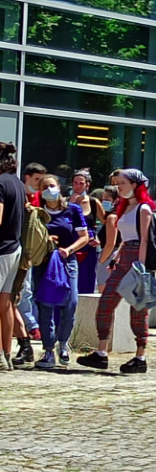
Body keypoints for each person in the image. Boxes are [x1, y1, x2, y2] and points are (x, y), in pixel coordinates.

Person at [77, 169, 156, 374]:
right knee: (106, 303)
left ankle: (140, 357)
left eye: (122, 183)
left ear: (135, 185)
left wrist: (141, 267)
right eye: (117, 183)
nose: (118, 187)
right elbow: (125, 238)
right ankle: (101, 352)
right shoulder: (124, 207)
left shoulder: (144, 209)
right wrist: (116, 257)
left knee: (138, 310)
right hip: (124, 258)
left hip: (137, 259)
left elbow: (144, 240)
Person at [30, 175, 89, 368]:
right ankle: (48, 350)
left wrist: (69, 249)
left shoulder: (72, 210)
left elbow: (84, 237)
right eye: (44, 187)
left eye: (52, 185)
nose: (49, 189)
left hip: (67, 260)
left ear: (59, 188)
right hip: (44, 262)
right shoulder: (37, 213)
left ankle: (63, 344)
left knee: (71, 303)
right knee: (45, 305)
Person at [0, 143, 23, 371]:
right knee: (5, 304)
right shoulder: (17, 183)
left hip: (1, 250)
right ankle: (6, 355)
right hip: (14, 249)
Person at [18, 162, 46, 339]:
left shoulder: (39, 197)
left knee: (27, 288)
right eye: (36, 179)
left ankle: (29, 325)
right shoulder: (19, 194)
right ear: (27, 177)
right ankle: (30, 325)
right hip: (16, 247)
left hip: (31, 249)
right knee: (24, 288)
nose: (39, 184)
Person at [67, 169, 104, 295]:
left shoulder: (93, 202)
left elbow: (107, 222)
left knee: (87, 280)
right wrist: (71, 204)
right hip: (70, 243)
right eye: (75, 183)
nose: (78, 186)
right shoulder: (65, 201)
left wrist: (100, 239)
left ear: (87, 185)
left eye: (81, 183)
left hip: (89, 246)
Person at [96, 185, 119, 294]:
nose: (103, 202)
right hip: (117, 256)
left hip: (109, 256)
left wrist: (101, 261)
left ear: (116, 200)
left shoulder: (112, 218)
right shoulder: (122, 215)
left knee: (104, 294)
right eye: (102, 199)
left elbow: (110, 243)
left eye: (107, 199)